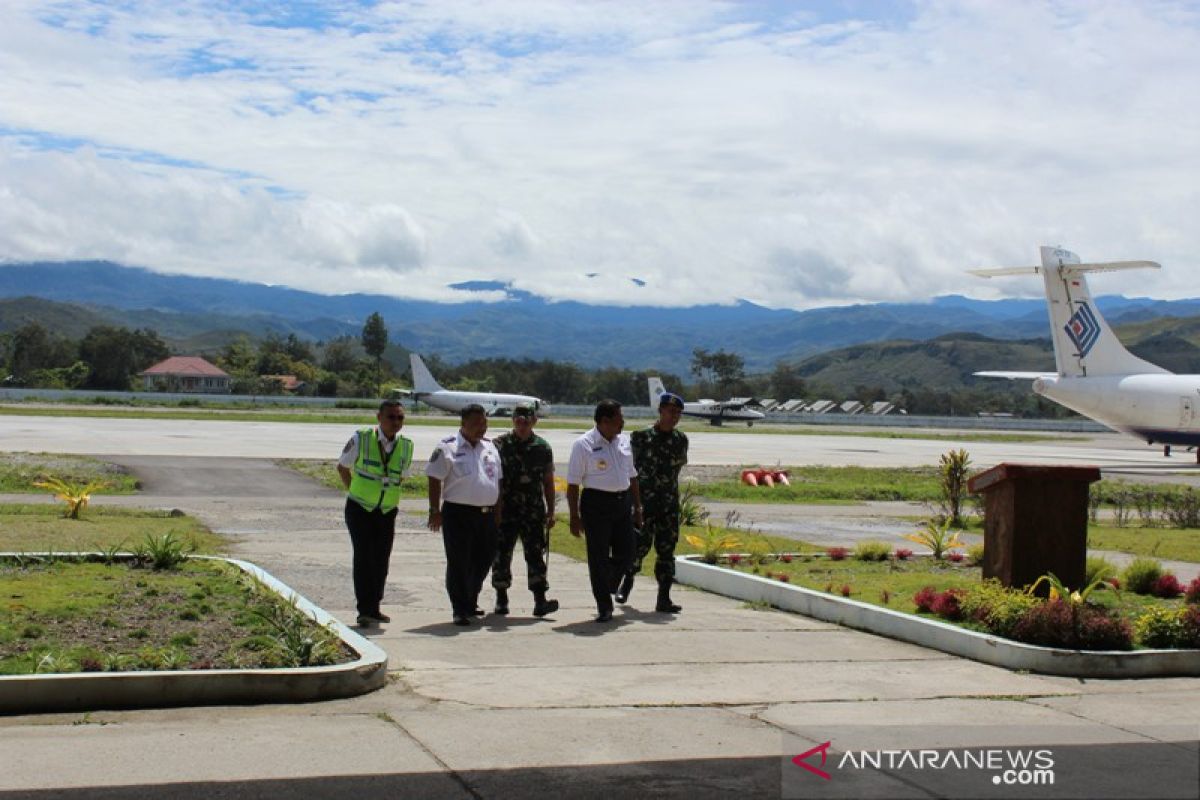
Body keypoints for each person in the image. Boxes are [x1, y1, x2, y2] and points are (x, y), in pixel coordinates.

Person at [337, 398, 414, 627]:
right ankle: (364, 610)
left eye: (400, 417)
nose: (396, 422)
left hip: (387, 510)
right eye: (391, 417)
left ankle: (375, 606)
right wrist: (354, 491)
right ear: (379, 417)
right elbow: (343, 467)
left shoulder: (406, 445)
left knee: (381, 559)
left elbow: (401, 475)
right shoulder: (362, 438)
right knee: (364, 558)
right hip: (360, 508)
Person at [426, 404, 503, 626]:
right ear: (463, 423)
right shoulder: (448, 447)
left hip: (486, 514)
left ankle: (471, 599)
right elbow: (434, 477)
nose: (482, 428)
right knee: (459, 561)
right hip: (458, 514)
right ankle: (459, 608)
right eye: (477, 423)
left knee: (484, 559)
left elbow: (498, 481)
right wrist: (434, 510)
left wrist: (498, 511)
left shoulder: (490, 447)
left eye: (485, 423)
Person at [566, 399, 642, 623]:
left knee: (628, 550)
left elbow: (632, 476)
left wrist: (637, 506)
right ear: (605, 421)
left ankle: (609, 581)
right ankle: (604, 605)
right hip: (596, 504)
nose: (623, 422)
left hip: (622, 502)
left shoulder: (623, 441)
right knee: (598, 556)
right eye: (620, 417)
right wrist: (573, 516)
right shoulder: (584, 444)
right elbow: (572, 484)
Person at [491, 404, 560, 618]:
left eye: (527, 422)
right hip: (506, 509)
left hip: (533, 510)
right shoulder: (499, 445)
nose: (522, 425)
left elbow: (548, 482)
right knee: (502, 553)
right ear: (513, 420)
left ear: (534, 422)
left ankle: (540, 600)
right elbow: (493, 479)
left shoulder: (542, 447)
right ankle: (501, 597)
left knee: (535, 554)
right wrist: (496, 509)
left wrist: (551, 511)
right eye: (519, 421)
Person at [624, 391, 689, 612]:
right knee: (637, 546)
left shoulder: (681, 440)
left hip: (668, 506)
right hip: (644, 504)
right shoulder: (641, 437)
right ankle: (628, 581)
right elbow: (630, 470)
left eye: (678, 413)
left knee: (666, 551)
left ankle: (664, 598)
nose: (674, 416)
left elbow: (677, 468)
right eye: (671, 412)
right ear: (660, 411)